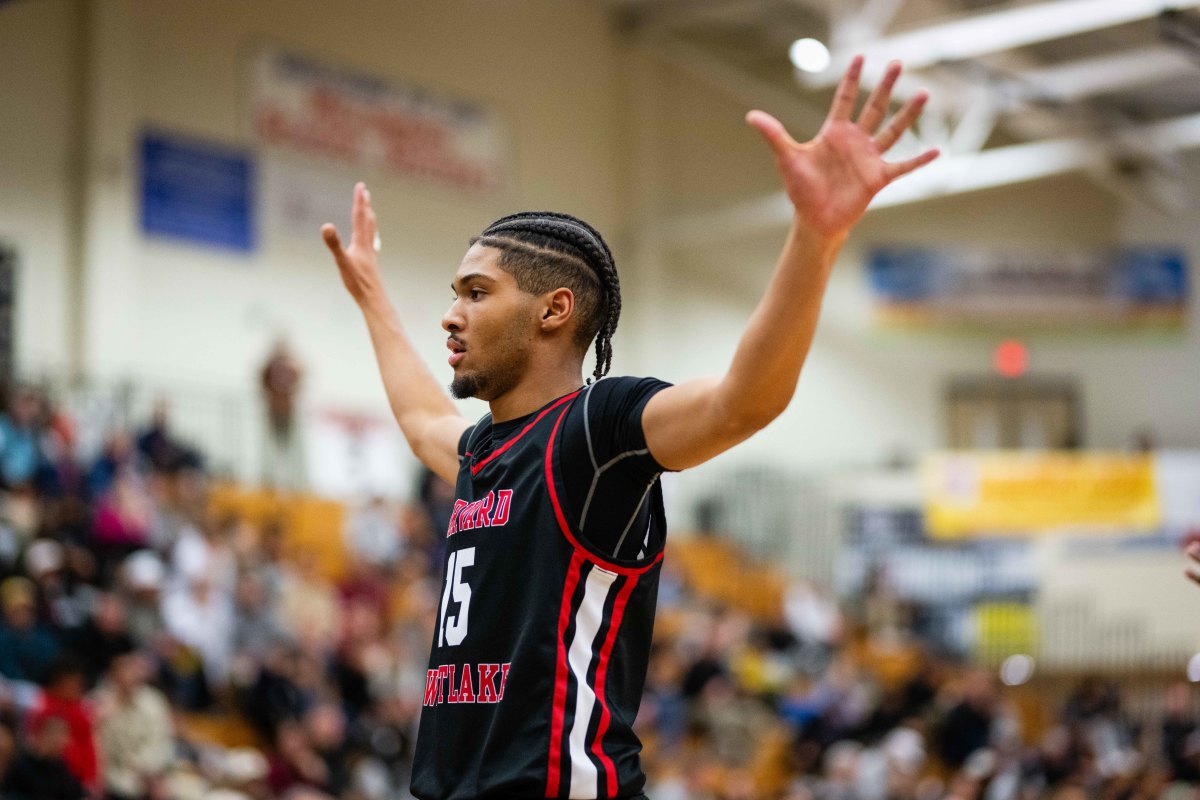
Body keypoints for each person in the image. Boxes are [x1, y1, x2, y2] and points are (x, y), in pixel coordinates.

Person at [321, 56, 936, 800]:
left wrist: (816, 236)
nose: (451, 314)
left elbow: (743, 401)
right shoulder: (484, 449)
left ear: (554, 311)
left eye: (476, 293)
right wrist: (372, 299)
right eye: (454, 295)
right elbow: (423, 420)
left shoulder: (596, 431)